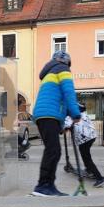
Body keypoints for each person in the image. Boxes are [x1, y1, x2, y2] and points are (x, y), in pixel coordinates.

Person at [31, 50, 82, 196]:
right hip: (49, 115)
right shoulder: (63, 69)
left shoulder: (49, 73)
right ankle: (43, 186)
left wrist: (62, 124)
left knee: (53, 150)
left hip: (43, 115)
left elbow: (60, 100)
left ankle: (48, 185)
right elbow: (69, 93)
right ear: (66, 62)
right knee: (53, 151)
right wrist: (76, 114)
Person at [65, 105, 104, 187]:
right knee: (86, 156)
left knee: (87, 159)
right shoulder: (83, 113)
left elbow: (65, 126)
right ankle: (89, 170)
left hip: (84, 140)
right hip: (92, 136)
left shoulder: (69, 116)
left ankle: (99, 178)